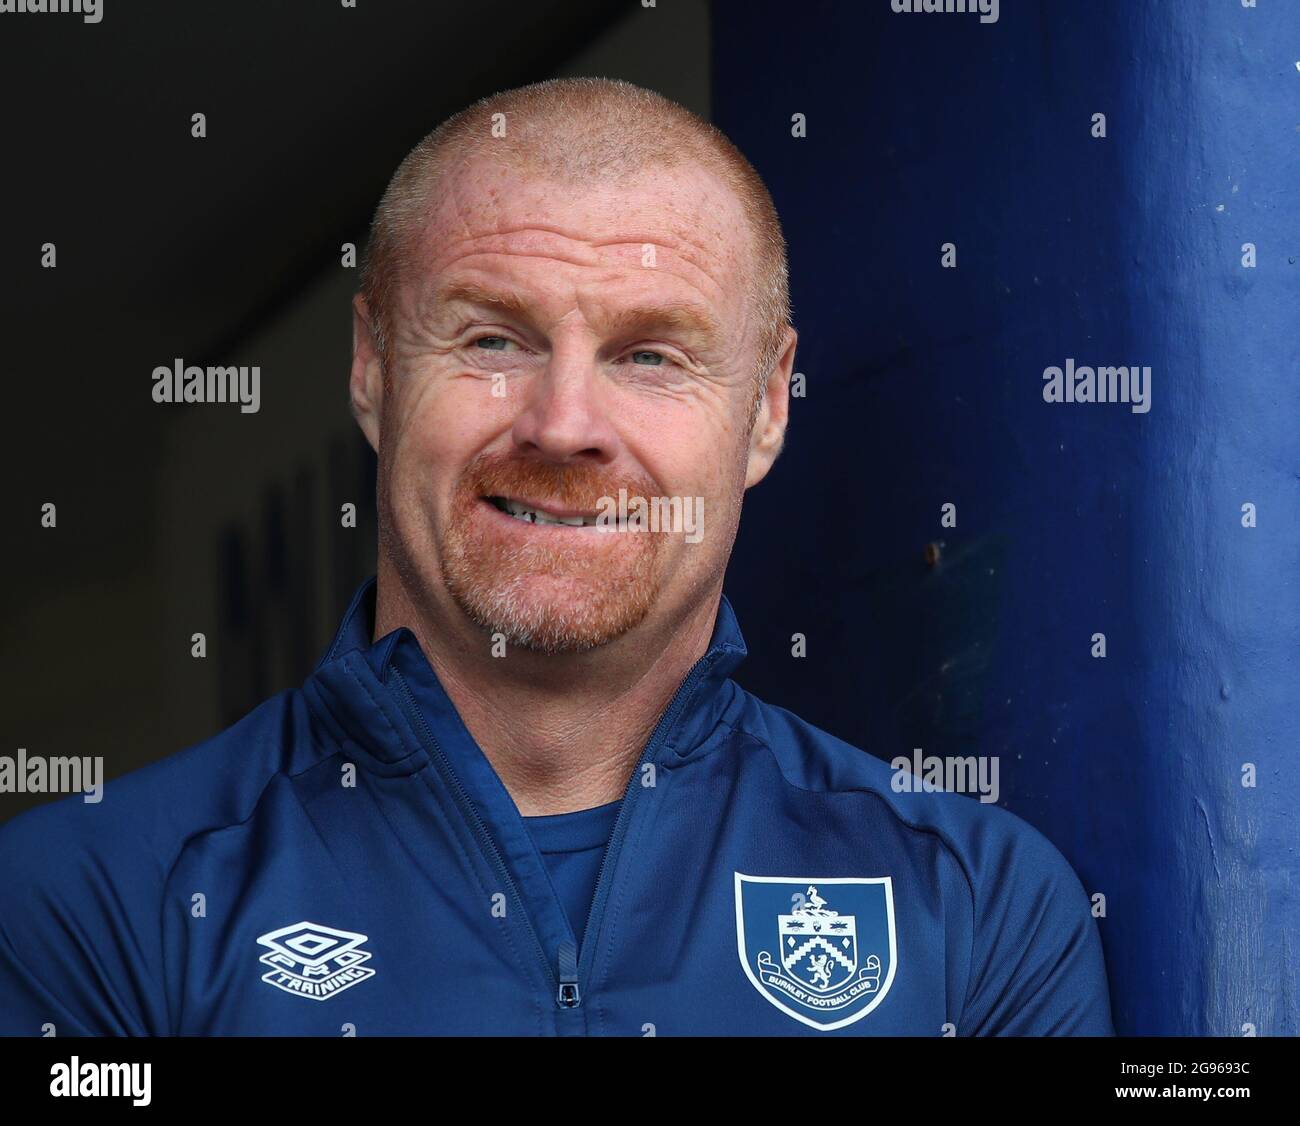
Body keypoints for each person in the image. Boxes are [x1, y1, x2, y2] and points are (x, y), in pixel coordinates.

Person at [0, 77, 1112, 1035]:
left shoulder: (975, 908)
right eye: (492, 338)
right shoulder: (96, 899)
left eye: (650, 353)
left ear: (766, 407)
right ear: (374, 367)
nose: (562, 421)